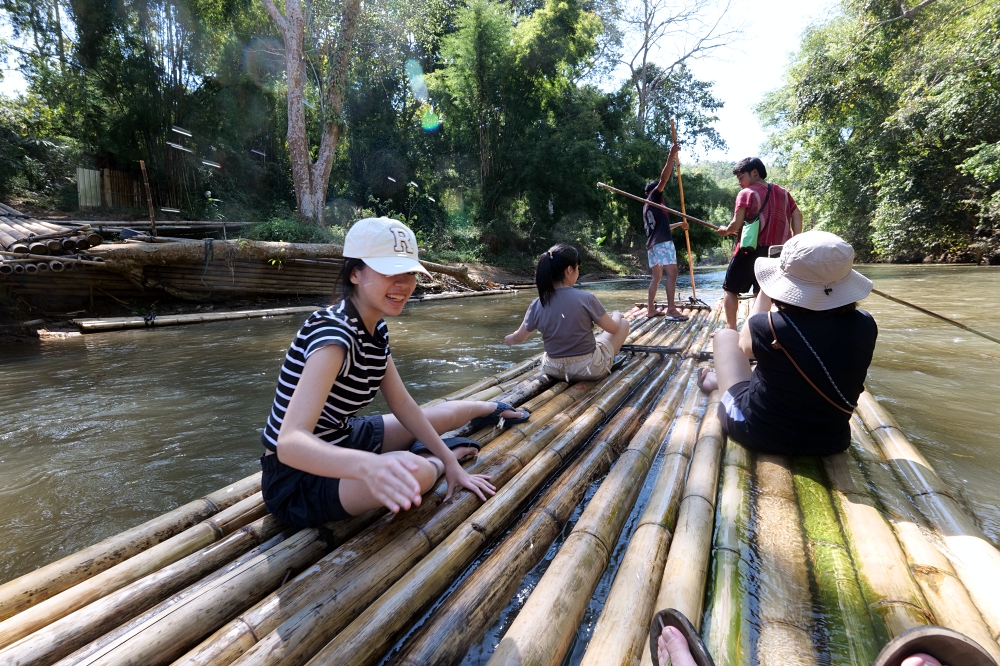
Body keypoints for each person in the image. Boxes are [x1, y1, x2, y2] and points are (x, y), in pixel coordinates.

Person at [259, 217, 529, 528]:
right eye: (389, 272)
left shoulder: (375, 327)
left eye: (409, 272)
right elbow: (289, 443)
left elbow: (402, 404)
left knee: (441, 415)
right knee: (419, 473)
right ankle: (439, 460)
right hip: (299, 479)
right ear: (355, 273)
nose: (403, 283)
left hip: (342, 437)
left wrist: (452, 466)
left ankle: (491, 409)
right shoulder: (333, 337)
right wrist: (370, 466)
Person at [698, 231, 877, 457]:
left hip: (758, 431)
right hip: (832, 440)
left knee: (726, 336)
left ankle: (716, 380)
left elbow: (744, 345)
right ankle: (718, 380)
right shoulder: (866, 323)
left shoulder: (768, 326)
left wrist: (768, 287)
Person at [504, 243, 629, 382]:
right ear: (569, 270)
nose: (578, 272)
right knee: (623, 323)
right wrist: (616, 315)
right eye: (577, 268)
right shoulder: (586, 298)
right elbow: (613, 328)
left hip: (553, 369)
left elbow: (520, 337)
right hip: (588, 369)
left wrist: (511, 338)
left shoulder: (538, 303)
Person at [716, 157, 803, 330]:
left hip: (751, 249)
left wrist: (725, 231)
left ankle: (731, 328)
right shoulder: (783, 193)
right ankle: (759, 330)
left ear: (754, 172)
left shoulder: (746, 193)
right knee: (762, 292)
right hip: (777, 252)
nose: (739, 183)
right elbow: (797, 216)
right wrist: (795, 240)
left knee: (730, 289)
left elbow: (736, 225)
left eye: (741, 178)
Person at [644, 142, 690, 320]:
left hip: (653, 245)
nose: (662, 193)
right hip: (662, 243)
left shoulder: (648, 207)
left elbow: (659, 228)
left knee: (656, 278)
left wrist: (678, 224)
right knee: (672, 273)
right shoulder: (654, 198)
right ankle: (671, 309)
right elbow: (663, 179)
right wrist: (671, 155)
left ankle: (650, 309)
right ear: (654, 191)